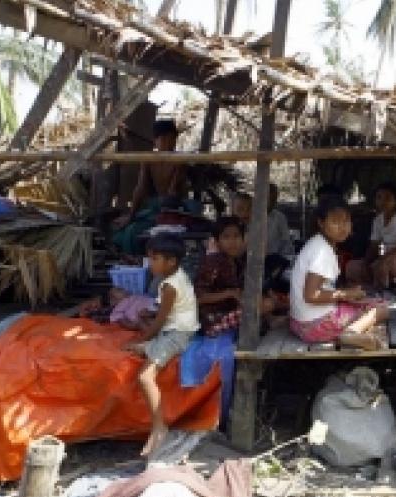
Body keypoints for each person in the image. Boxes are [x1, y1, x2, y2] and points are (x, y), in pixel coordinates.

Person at [125, 233, 200, 456]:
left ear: (171, 262)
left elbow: (159, 323)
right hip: (177, 326)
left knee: (144, 377)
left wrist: (143, 338)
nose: (150, 263)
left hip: (177, 334)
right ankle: (148, 347)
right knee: (142, 326)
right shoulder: (173, 278)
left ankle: (159, 427)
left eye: (154, 259)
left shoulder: (169, 287)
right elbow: (163, 313)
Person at [289, 195, 388, 350]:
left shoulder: (316, 243)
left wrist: (347, 295)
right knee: (381, 308)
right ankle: (351, 333)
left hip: (299, 323)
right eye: (335, 221)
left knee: (363, 301)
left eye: (346, 221)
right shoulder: (322, 252)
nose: (343, 227)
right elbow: (311, 295)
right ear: (321, 223)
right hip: (315, 327)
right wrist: (345, 294)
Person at [113, 119, 197, 254]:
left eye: (171, 139)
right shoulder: (149, 159)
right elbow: (140, 188)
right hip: (154, 206)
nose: (168, 143)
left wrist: (162, 212)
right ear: (155, 141)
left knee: (135, 231)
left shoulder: (180, 160)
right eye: (163, 139)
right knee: (120, 230)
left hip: (176, 208)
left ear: (175, 139)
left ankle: (141, 259)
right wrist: (131, 215)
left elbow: (172, 192)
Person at [195, 216, 276, 337]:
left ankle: (269, 321)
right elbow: (198, 297)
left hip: (229, 310)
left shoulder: (236, 261)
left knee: (267, 302)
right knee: (266, 304)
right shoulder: (213, 262)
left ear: (243, 239)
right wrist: (229, 293)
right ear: (217, 241)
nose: (232, 242)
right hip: (212, 319)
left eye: (236, 236)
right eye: (226, 237)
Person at [346, 182, 396, 289]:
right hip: (386, 257)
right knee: (352, 267)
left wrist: (386, 260)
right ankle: (368, 291)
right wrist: (366, 262)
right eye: (379, 198)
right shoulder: (378, 220)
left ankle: (383, 292)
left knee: (387, 265)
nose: (383, 202)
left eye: (388, 198)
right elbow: (373, 246)